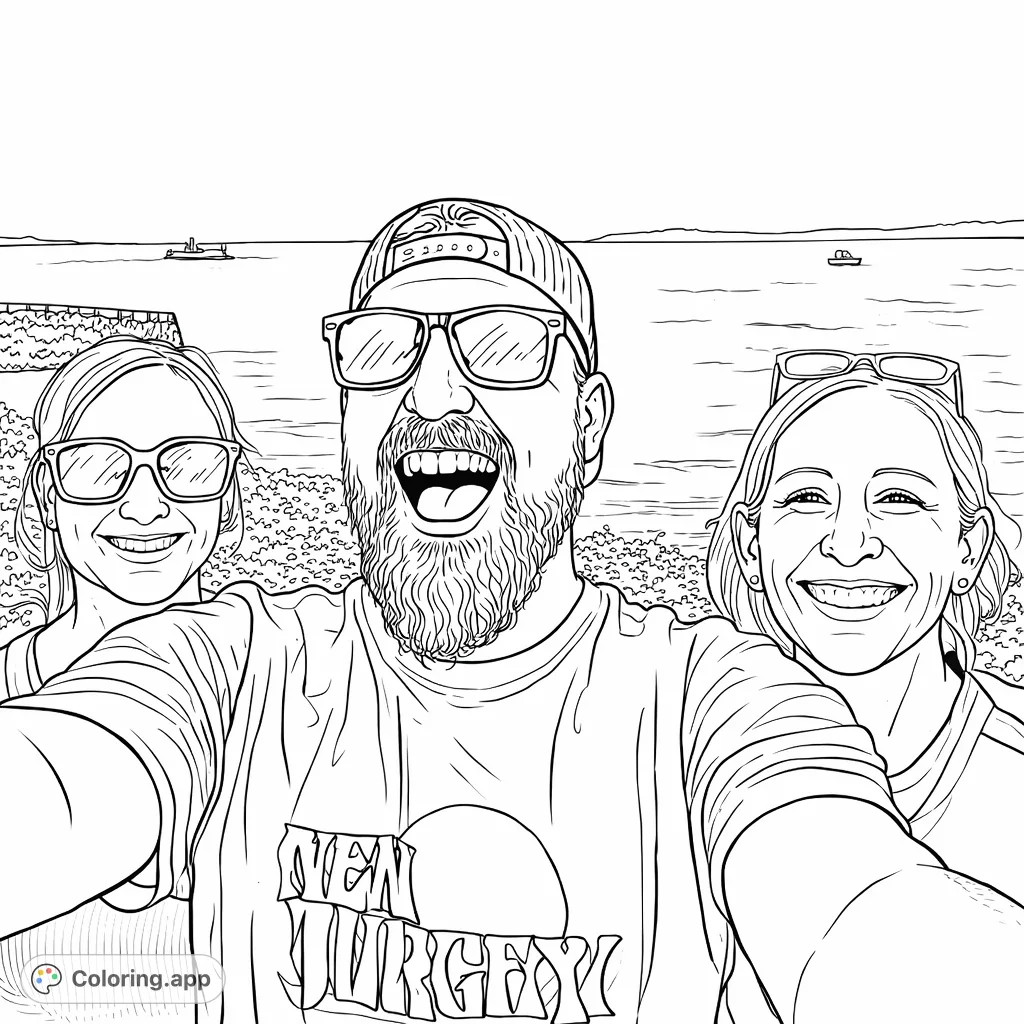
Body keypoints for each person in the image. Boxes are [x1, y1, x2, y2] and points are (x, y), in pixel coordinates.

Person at [1, 203, 1023, 1024]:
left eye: (501, 346)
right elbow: (65, 778)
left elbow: (849, 900)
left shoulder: (716, 696)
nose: (432, 389)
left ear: (588, 424)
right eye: (381, 348)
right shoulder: (230, 660)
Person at [706, 349, 1024, 1019]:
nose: (849, 543)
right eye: (806, 498)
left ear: (967, 548)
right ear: (749, 544)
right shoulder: (679, 757)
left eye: (899, 498)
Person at [0, 335, 248, 1019]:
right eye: (98, 466)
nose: (144, 506)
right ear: (46, 497)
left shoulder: (283, 685)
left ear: (226, 500)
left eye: (189, 465)